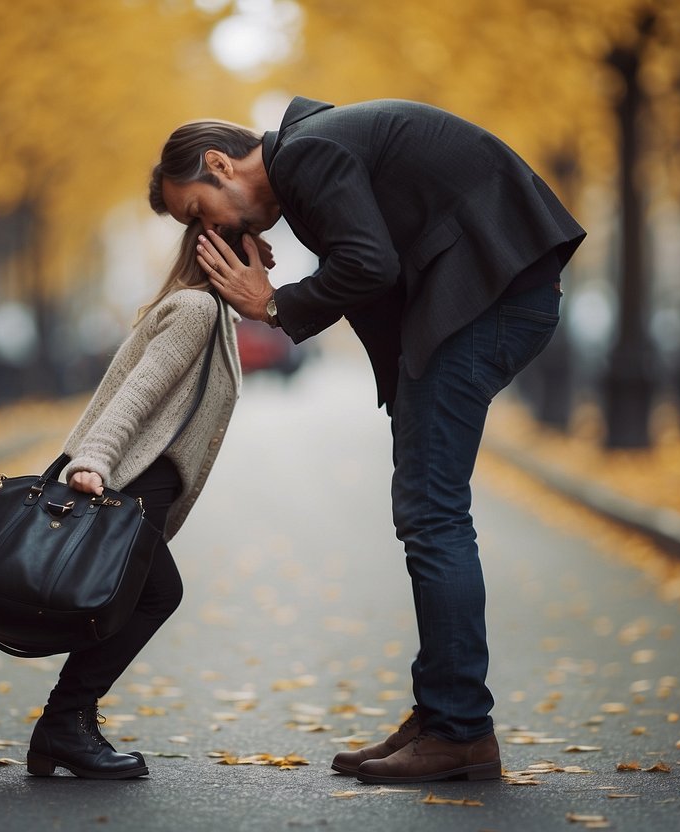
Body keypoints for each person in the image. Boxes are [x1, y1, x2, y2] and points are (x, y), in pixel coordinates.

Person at [148, 97, 586, 785]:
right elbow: (376, 253)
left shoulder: (309, 155)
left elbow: (369, 264)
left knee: (432, 512)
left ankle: (459, 729)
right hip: (486, 294)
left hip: (489, 297)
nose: (210, 228)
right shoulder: (313, 158)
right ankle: (443, 714)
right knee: (427, 509)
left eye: (200, 211)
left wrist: (271, 304)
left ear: (219, 163)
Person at [27, 223, 247, 780]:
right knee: (152, 595)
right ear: (226, 254)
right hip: (130, 483)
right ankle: (64, 723)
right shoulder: (198, 309)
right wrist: (95, 459)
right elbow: (138, 391)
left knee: (149, 595)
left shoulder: (209, 311)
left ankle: (64, 724)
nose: (265, 265)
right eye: (255, 249)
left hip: (140, 483)